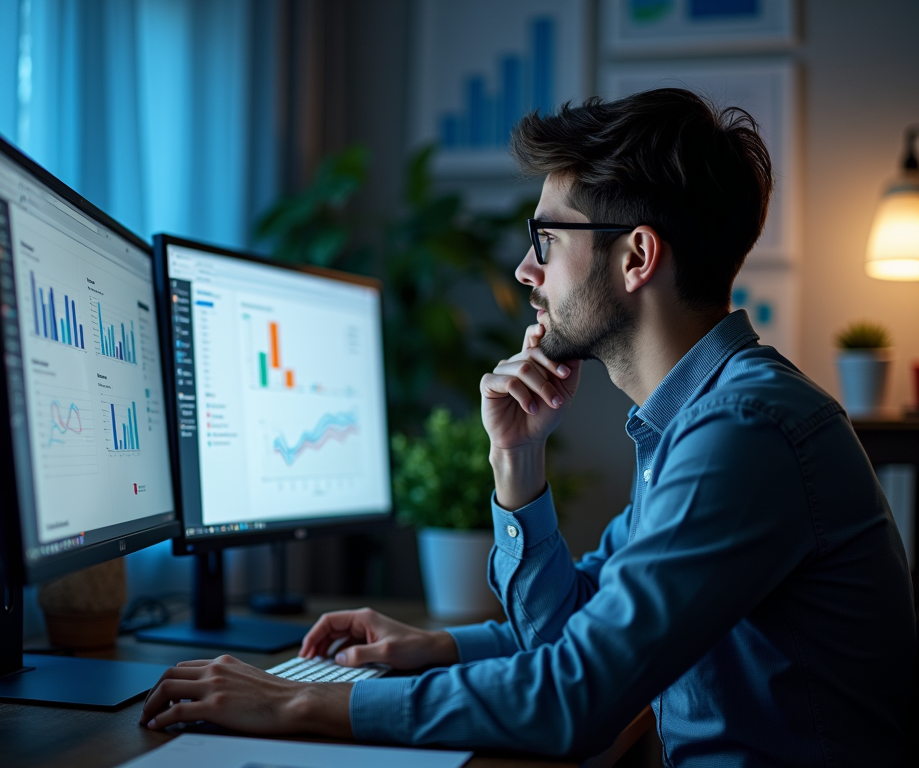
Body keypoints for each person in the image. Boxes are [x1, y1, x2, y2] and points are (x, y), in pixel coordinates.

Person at [140, 89, 917, 765]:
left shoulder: (744, 431)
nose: (524, 270)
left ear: (636, 256)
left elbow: (575, 698)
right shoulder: (698, 423)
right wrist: (517, 464)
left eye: (546, 239)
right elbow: (581, 629)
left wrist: (292, 704)